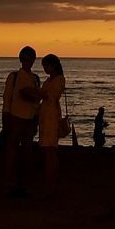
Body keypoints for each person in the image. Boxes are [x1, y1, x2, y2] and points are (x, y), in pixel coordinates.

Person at [2, 46, 40, 197]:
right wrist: (6, 119)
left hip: (29, 118)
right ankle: (12, 181)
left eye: (29, 59)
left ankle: (21, 182)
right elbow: (7, 98)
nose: (28, 61)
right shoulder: (14, 76)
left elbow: (36, 101)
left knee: (26, 151)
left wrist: (36, 118)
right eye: (26, 58)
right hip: (16, 117)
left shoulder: (34, 78)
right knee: (13, 149)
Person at [35, 54, 66, 197]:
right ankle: (50, 181)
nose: (45, 68)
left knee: (50, 150)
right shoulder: (49, 80)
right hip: (45, 115)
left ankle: (51, 182)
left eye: (46, 65)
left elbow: (51, 96)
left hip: (51, 116)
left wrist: (38, 93)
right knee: (48, 150)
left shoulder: (59, 80)